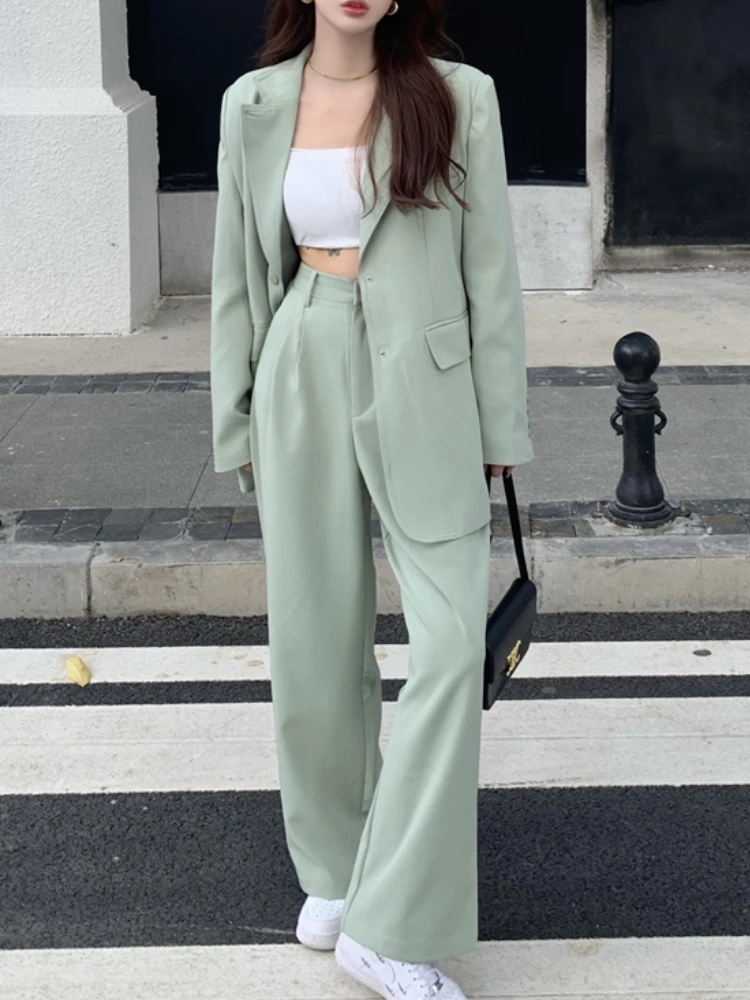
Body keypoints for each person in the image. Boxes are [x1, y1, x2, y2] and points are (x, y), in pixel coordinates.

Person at [210, 0, 534, 996]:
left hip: (426, 382)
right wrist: (237, 419)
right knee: (316, 637)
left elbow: (492, 272)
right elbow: (237, 272)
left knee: (451, 646)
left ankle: (392, 923)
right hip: (303, 354)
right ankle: (336, 870)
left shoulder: (458, 96)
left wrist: (500, 428)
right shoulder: (253, 102)